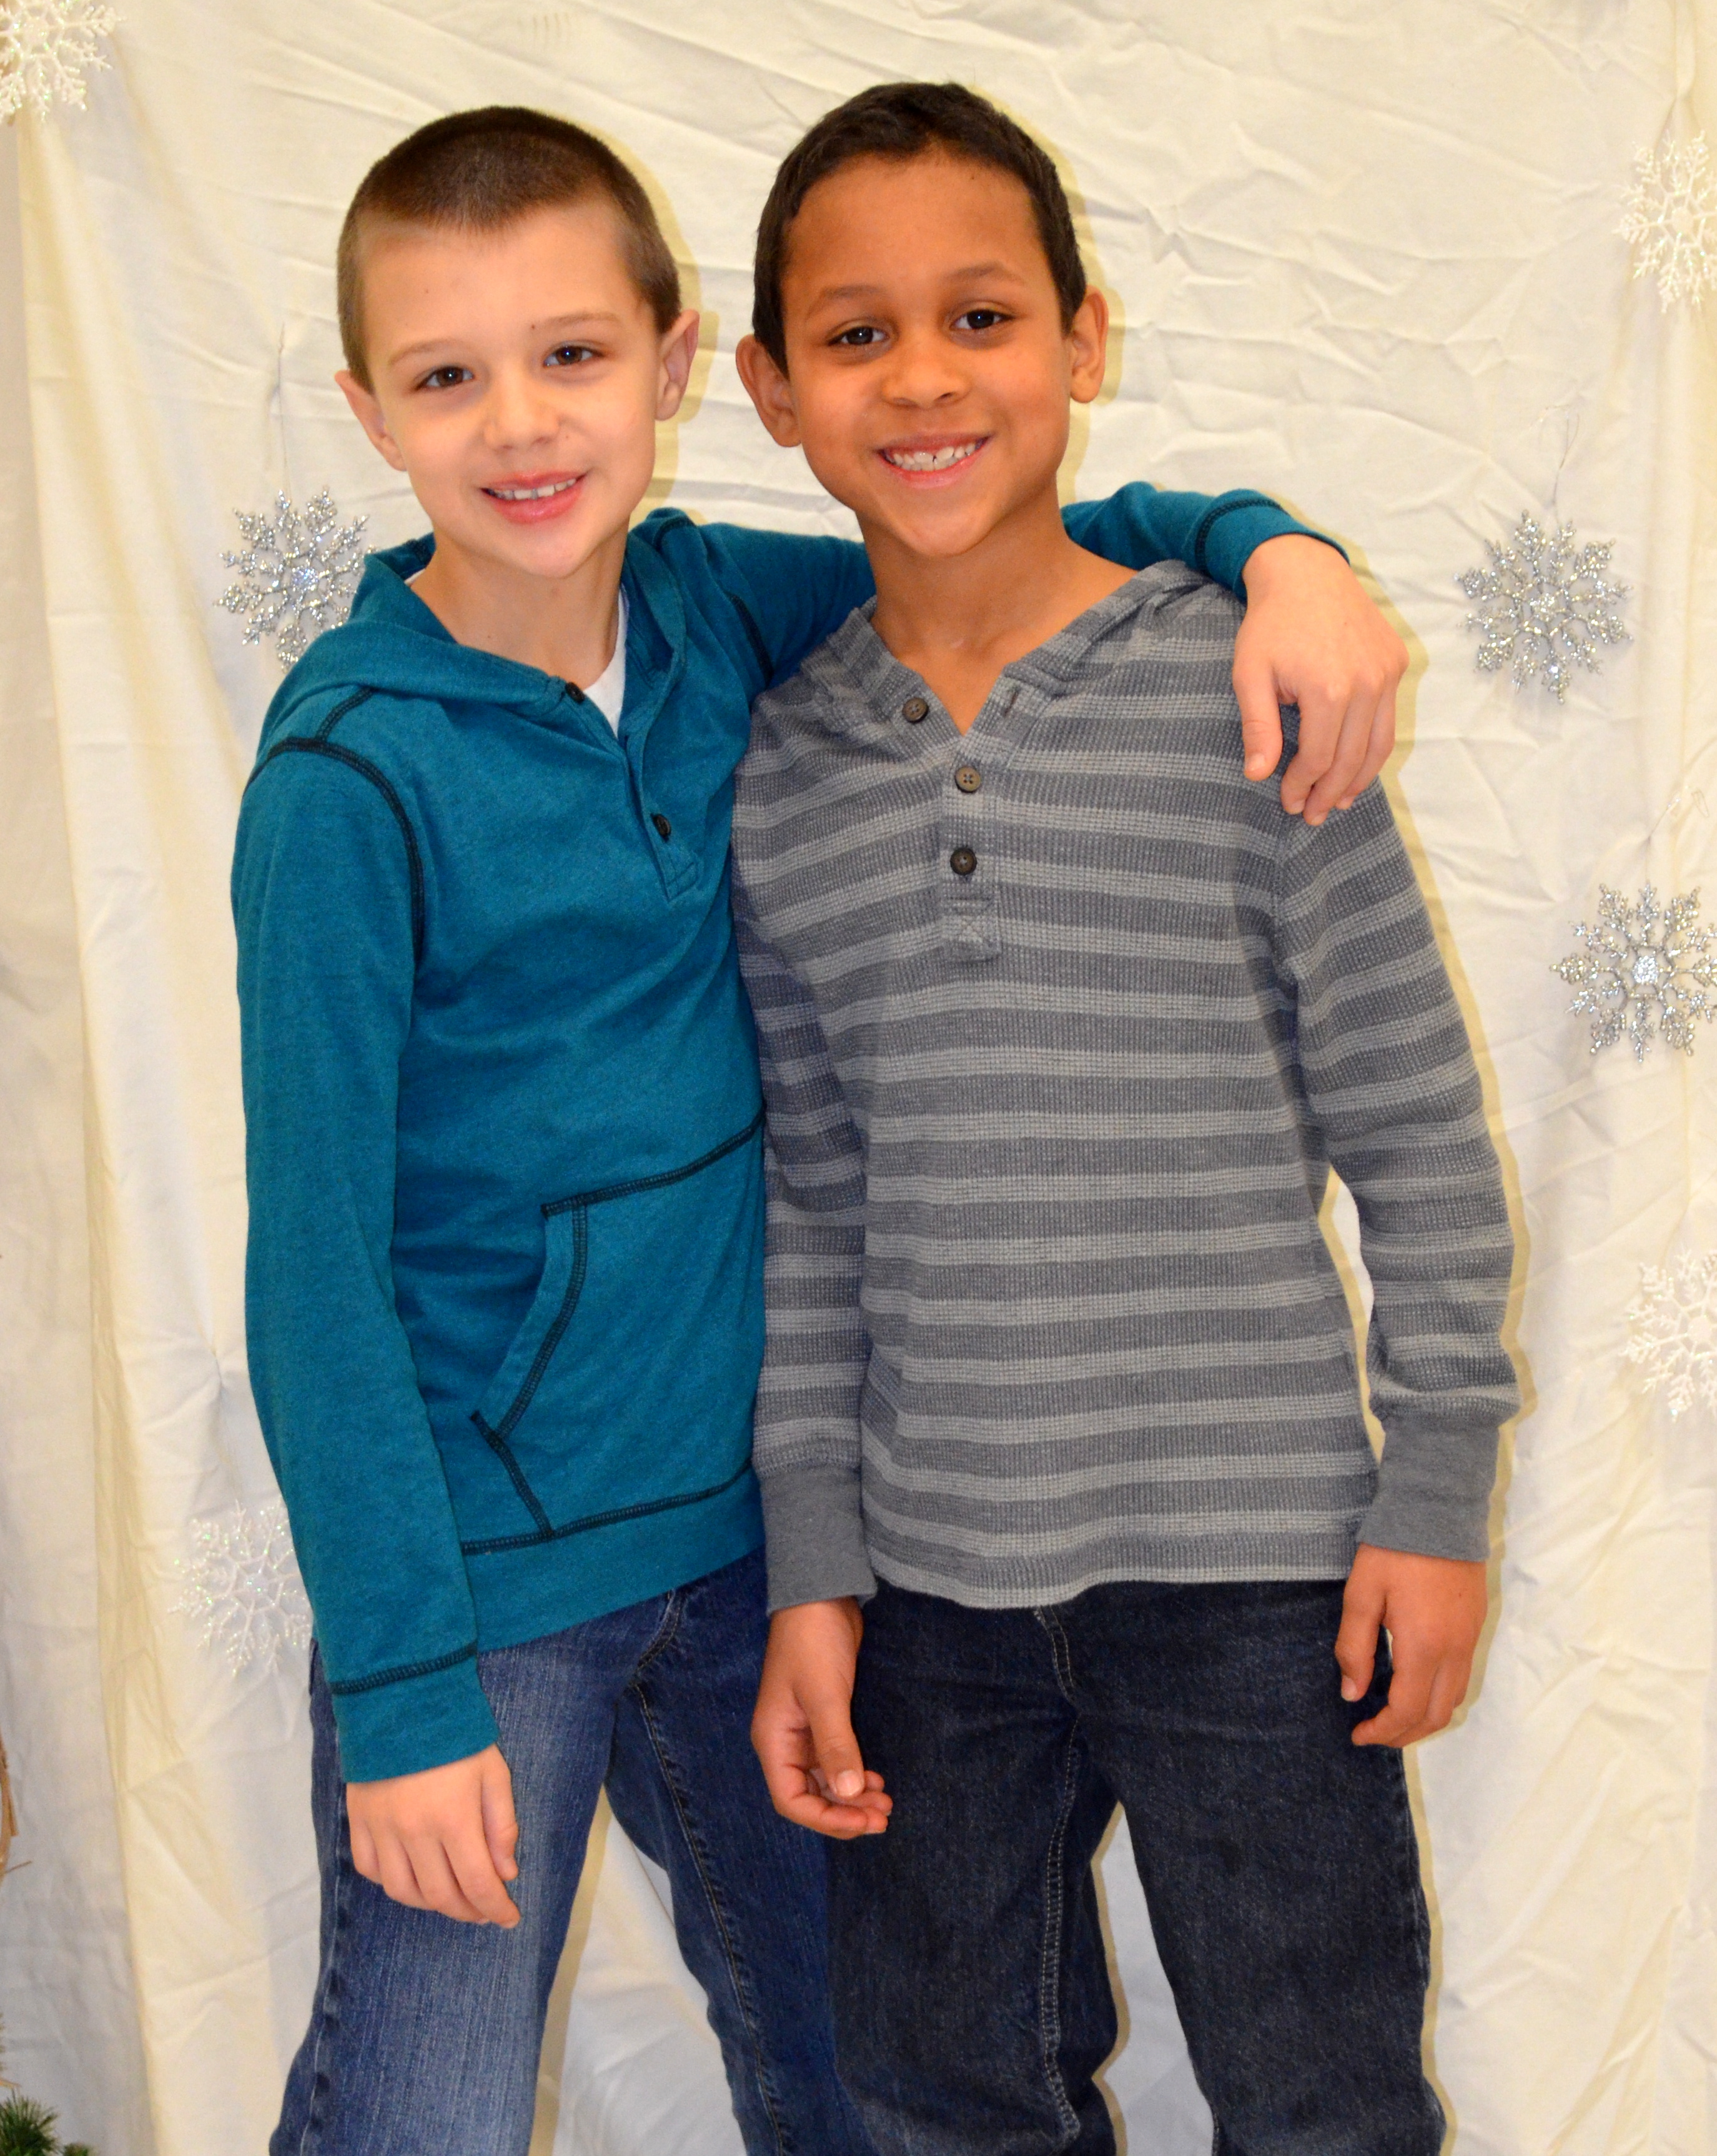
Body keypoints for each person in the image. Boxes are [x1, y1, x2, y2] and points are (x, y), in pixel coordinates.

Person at [232, 102, 1406, 2156]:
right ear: (369, 411)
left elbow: (991, 530)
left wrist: (1274, 550)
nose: (522, 423)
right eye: (448, 376)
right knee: (426, 2113)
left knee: (866, 2081)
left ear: (680, 364)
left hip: (759, 1551)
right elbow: (312, 1267)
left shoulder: (716, 610)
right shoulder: (347, 779)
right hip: (486, 1581)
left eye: (573, 354)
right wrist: (403, 1692)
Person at [733, 81, 1520, 2156]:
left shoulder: (1245, 689)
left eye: (982, 317)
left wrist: (1437, 1484)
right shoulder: (780, 770)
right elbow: (811, 1207)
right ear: (771, 390)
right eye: (858, 334)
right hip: (925, 1588)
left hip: (1261, 1567)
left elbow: (1417, 1129)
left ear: (1083, 339)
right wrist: (815, 1565)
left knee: (1322, 2097)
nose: (925, 377)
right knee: (942, 2092)